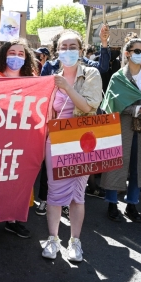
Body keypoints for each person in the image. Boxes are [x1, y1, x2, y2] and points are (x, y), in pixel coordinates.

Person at [41, 30, 102, 262]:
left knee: (78, 195)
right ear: (57, 51)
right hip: (56, 141)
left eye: (72, 46)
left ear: (81, 49)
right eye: (63, 47)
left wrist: (67, 87)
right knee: (54, 192)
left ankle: (75, 241)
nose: (68, 51)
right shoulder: (52, 78)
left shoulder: (91, 74)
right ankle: (53, 239)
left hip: (82, 140)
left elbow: (88, 107)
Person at [100, 37, 141, 223]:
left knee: (137, 166)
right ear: (127, 53)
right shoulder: (118, 77)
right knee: (116, 163)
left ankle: (132, 204)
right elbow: (111, 104)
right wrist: (136, 109)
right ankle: (112, 203)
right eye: (137, 51)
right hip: (121, 126)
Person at [0, 38, 38, 237]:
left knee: (16, 176)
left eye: (21, 54)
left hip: (21, 137)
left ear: (26, 59)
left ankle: (12, 219)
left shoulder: (33, 80)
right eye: (12, 53)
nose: (16, 57)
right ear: (4, 54)